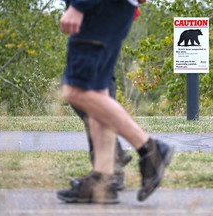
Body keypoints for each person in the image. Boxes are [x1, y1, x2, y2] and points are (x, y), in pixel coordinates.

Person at [57, 0, 174, 204]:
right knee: (97, 91)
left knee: (77, 91)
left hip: (98, 8)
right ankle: (102, 180)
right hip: (110, 8)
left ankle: (150, 150)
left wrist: (79, 5)